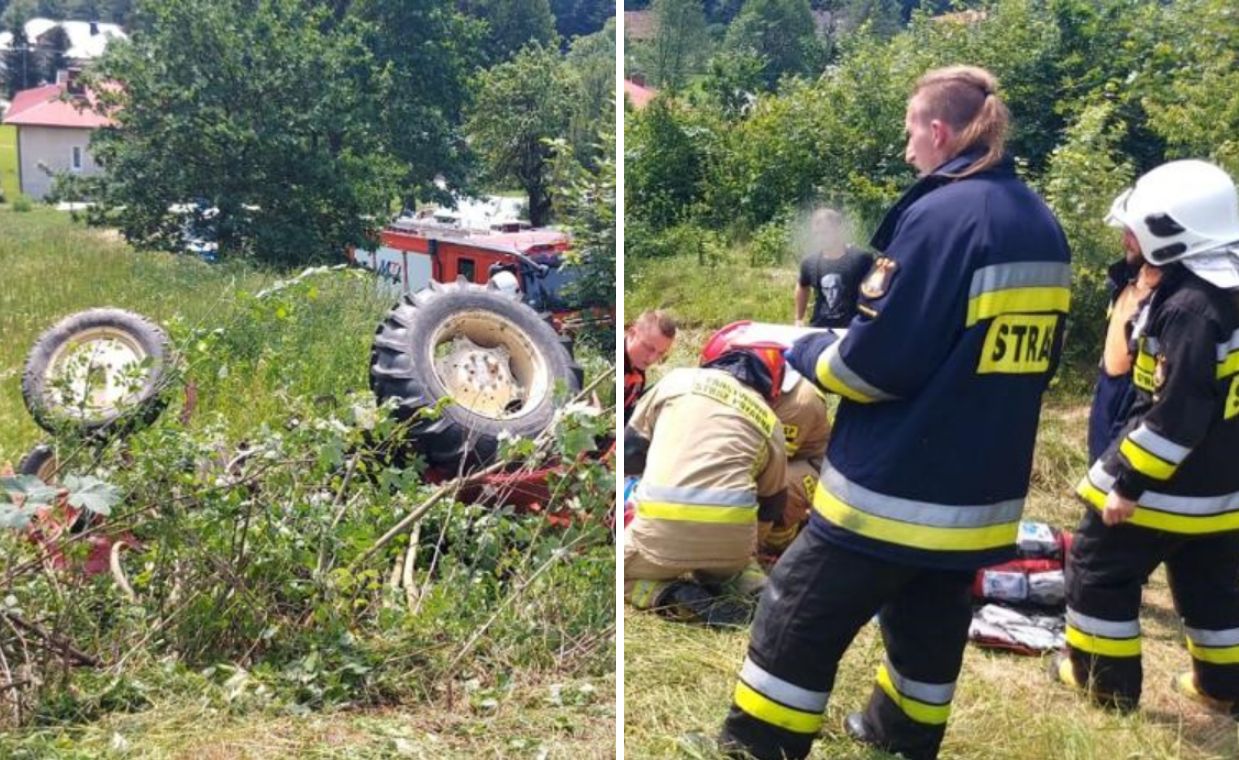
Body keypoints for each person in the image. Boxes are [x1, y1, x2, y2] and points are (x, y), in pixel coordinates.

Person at [717, 65, 1071, 760]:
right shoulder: (1040, 221)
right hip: (982, 489)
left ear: (938, 131)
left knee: (798, 606)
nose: (907, 149)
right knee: (929, 614)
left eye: (910, 131)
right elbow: (1036, 358)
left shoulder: (941, 216)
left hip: (896, 486)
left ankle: (757, 743)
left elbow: (872, 367)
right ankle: (899, 736)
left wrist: (806, 351)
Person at [1051, 159, 1239, 717]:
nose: (1126, 239)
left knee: (1097, 571)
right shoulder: (1222, 293)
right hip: (1224, 490)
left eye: (1134, 229)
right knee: (1215, 588)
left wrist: (1127, 483)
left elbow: (1174, 415)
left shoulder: (1189, 308)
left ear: (1172, 232)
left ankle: (1104, 687)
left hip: (1166, 487)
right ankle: (1223, 687)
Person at [623, 343, 789, 627]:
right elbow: (772, 503)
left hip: (662, 535)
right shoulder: (770, 422)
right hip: (731, 542)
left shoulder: (677, 381)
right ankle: (756, 590)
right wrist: (750, 548)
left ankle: (670, 595)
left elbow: (631, 452)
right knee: (735, 570)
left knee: (619, 572)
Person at [700, 324, 833, 555]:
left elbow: (764, 461)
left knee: (774, 491)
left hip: (807, 466)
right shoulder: (756, 385)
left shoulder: (799, 402)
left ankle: (776, 546)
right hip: (769, 456)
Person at [795, 209, 874, 328]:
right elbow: (802, 286)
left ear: (838, 230)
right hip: (819, 328)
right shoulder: (810, 262)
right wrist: (799, 318)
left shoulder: (861, 259)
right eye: (817, 234)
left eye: (825, 233)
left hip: (852, 331)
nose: (820, 238)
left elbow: (877, 292)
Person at [623, 310, 676, 421]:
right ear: (632, 334)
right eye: (649, 348)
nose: (652, 359)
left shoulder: (638, 371)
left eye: (660, 353)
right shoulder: (610, 365)